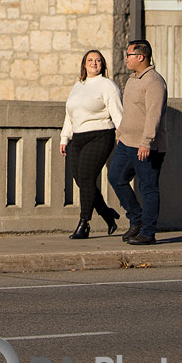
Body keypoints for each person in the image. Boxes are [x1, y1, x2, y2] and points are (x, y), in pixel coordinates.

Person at [107, 38, 168, 246]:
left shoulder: (154, 82)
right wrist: (120, 134)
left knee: (148, 188)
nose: (126, 59)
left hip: (146, 146)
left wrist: (146, 142)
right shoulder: (132, 79)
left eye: (129, 55)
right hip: (126, 143)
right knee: (116, 177)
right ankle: (136, 218)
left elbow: (153, 114)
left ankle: (147, 233)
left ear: (141, 57)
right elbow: (129, 112)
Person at [60, 49, 123, 238]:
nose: (94, 63)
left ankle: (84, 223)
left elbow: (118, 112)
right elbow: (70, 115)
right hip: (78, 138)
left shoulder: (108, 85)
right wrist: (65, 137)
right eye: (90, 60)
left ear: (103, 64)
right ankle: (107, 214)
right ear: (84, 64)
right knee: (81, 180)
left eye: (98, 60)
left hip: (100, 135)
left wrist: (123, 135)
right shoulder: (78, 85)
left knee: (87, 178)